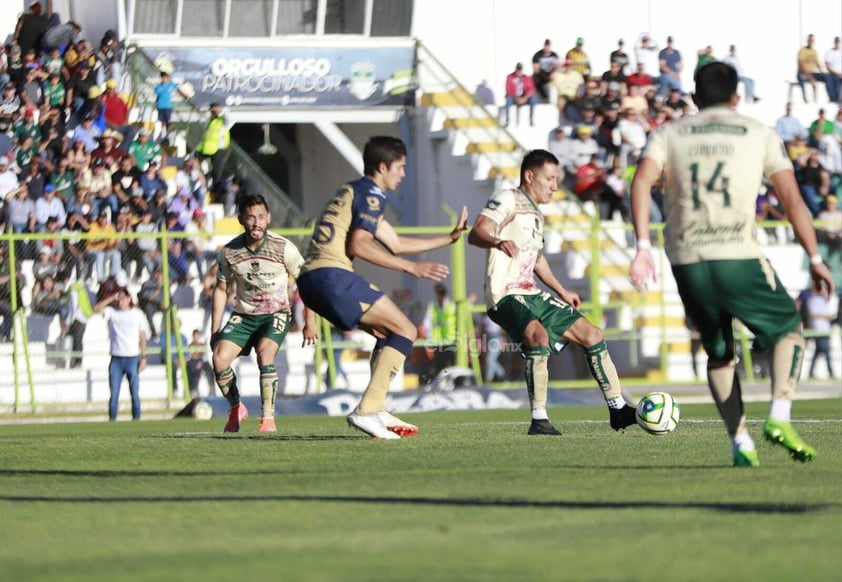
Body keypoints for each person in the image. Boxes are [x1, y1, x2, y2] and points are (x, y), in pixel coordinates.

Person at [629, 62, 836, 467]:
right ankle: (779, 417)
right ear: (737, 96)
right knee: (788, 330)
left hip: (686, 259)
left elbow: (640, 182)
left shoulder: (669, 133)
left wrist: (642, 245)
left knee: (719, 351)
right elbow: (793, 201)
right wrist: (814, 257)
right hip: (737, 254)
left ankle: (740, 443)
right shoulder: (758, 132)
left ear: (693, 96)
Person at [297, 135, 469, 439]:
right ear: (382, 166)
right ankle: (367, 410)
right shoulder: (373, 194)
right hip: (332, 275)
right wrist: (411, 268)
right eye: (400, 167)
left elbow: (397, 244)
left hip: (311, 281)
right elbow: (360, 244)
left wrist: (449, 237)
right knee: (406, 329)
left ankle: (375, 406)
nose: (403, 174)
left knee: (389, 333)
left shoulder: (353, 191)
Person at [467, 149, 637, 436]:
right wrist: (497, 241)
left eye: (557, 180)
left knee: (592, 334)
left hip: (530, 293)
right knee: (538, 336)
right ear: (529, 175)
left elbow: (538, 260)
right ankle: (539, 418)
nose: (555, 186)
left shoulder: (536, 213)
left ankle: (618, 408)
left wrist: (561, 290)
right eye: (550, 179)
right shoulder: (508, 198)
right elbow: (477, 232)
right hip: (504, 294)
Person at [211, 193, 318, 433]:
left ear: (268, 218)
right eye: (250, 217)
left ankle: (267, 419)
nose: (256, 222)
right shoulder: (230, 251)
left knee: (264, 353)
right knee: (218, 359)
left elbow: (306, 282)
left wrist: (309, 321)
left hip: (275, 313)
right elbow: (220, 289)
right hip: (244, 315)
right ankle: (236, 407)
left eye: (261, 216)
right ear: (241, 219)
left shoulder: (282, 247)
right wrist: (214, 330)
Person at [94, 287, 150, 421]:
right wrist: (112, 297)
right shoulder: (113, 313)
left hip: (132, 358)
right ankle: (112, 420)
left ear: (129, 299)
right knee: (114, 394)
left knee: (134, 393)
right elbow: (96, 309)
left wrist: (143, 357)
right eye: (119, 299)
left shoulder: (137, 314)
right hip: (116, 359)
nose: (121, 301)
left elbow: (142, 337)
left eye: (123, 298)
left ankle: (136, 419)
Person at [421, 283, 458, 380]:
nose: (441, 296)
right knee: (439, 365)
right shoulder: (433, 307)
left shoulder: (451, 306)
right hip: (438, 341)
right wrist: (429, 339)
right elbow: (427, 324)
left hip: (451, 340)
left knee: (451, 364)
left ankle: (451, 382)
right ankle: (439, 383)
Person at [195, 102, 230, 192]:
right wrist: (204, 110)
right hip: (206, 147)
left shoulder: (223, 120)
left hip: (219, 148)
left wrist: (221, 111)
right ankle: (203, 178)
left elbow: (230, 119)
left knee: (216, 170)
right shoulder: (208, 120)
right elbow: (201, 119)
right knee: (195, 160)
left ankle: (215, 188)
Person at [804, 289, 836, 379]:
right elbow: (813, 315)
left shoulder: (823, 301)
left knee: (817, 352)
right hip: (818, 330)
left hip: (825, 330)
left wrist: (825, 316)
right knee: (826, 352)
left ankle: (811, 373)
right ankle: (831, 373)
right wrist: (825, 316)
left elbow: (830, 316)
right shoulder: (812, 300)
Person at [797, 34, 828, 104]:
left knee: (827, 77)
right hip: (803, 73)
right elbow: (801, 64)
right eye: (810, 39)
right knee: (804, 80)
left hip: (812, 73)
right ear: (807, 40)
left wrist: (821, 71)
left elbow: (817, 63)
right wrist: (809, 76)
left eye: (812, 40)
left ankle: (830, 97)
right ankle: (805, 99)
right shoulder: (802, 50)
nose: (811, 41)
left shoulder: (814, 51)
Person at [503, 63, 536, 127]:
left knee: (533, 100)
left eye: (520, 71)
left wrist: (525, 97)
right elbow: (508, 90)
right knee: (508, 100)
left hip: (524, 97)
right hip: (514, 97)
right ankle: (507, 121)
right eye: (518, 70)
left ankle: (531, 120)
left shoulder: (527, 78)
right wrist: (516, 98)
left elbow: (531, 90)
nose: (519, 72)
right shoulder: (510, 77)